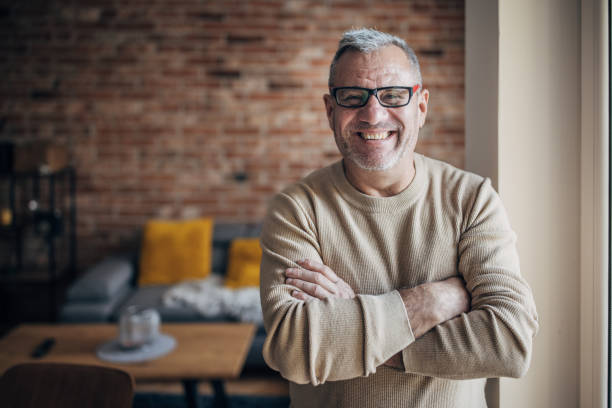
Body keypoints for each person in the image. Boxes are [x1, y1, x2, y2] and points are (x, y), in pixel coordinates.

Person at [259, 28, 538, 408]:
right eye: (353, 97)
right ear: (331, 110)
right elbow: (293, 350)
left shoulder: (472, 199)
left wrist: (355, 318)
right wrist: (431, 301)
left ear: (421, 107)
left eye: (393, 96)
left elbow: (509, 342)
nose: (373, 115)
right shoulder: (296, 209)